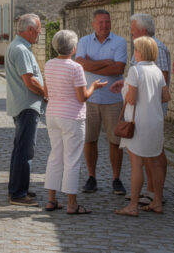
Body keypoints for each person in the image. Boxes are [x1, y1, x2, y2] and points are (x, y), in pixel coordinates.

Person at [43, 29, 108, 215]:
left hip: (53, 114)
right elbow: (82, 97)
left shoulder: (49, 64)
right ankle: (72, 204)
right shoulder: (75, 68)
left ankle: (51, 199)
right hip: (72, 116)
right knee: (72, 160)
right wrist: (94, 86)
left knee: (55, 156)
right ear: (73, 48)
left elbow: (46, 92)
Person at [113, 36, 170, 217]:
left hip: (139, 123)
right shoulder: (158, 71)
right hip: (156, 120)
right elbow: (165, 97)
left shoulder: (136, 71)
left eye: (135, 50)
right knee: (155, 162)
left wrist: (125, 89)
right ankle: (157, 201)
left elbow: (131, 98)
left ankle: (133, 205)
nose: (134, 53)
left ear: (140, 52)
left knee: (137, 164)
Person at [74, 9, 127, 196]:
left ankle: (116, 178)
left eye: (107, 22)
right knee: (90, 140)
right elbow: (80, 64)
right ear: (93, 24)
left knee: (115, 141)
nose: (104, 25)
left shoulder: (120, 42)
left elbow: (118, 68)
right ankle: (91, 177)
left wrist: (93, 64)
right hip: (90, 98)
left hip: (113, 99)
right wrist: (106, 62)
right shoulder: (84, 41)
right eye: (101, 22)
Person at [5, 13, 47, 206]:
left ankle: (17, 187)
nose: (39, 33)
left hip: (22, 104)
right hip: (27, 105)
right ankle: (18, 194)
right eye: (38, 30)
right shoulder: (21, 49)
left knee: (20, 149)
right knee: (25, 150)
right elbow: (29, 81)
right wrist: (47, 93)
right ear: (30, 30)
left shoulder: (17, 46)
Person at [130, 13, 170, 206]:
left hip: (148, 111)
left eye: (133, 31)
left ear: (143, 31)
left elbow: (162, 84)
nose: (130, 34)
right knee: (151, 154)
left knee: (153, 155)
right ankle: (151, 194)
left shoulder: (155, 49)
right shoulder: (143, 48)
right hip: (148, 111)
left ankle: (153, 192)